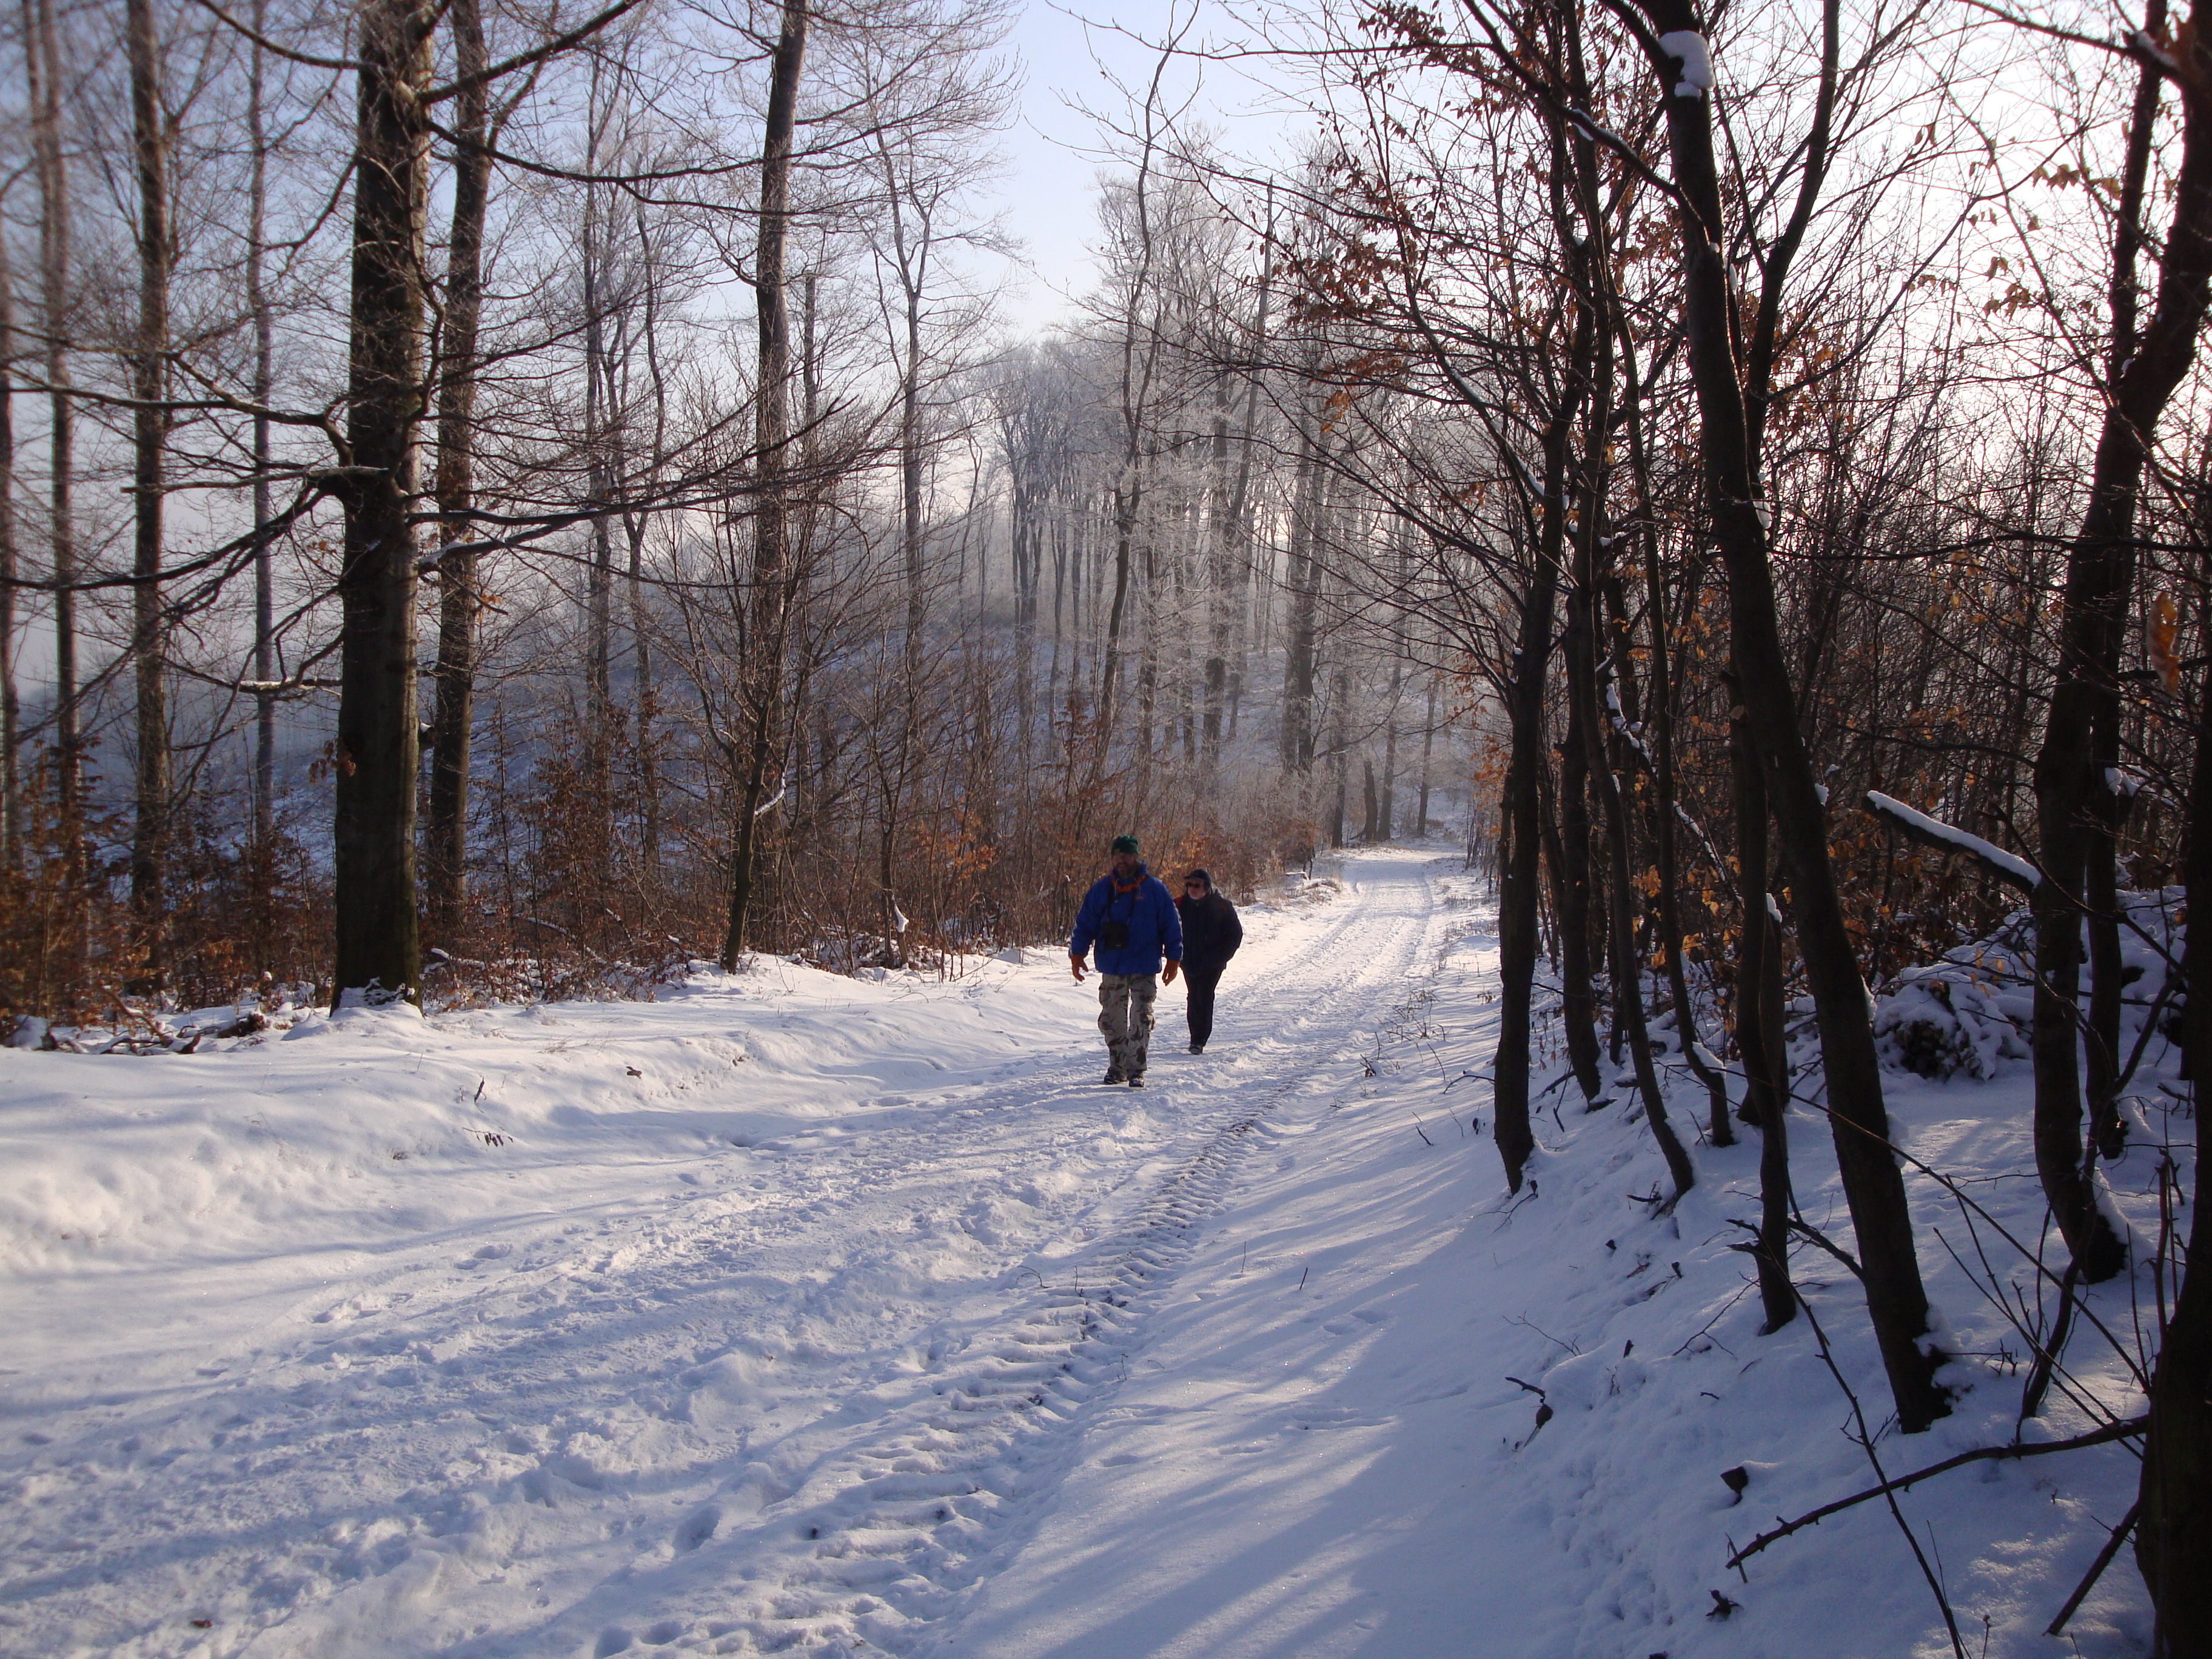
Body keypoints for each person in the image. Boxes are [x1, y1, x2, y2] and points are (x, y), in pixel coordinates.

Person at [1068, 834, 1182, 1087]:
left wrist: (1174, 958)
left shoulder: (1155, 889)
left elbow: (1171, 925)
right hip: (1112, 964)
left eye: (1127, 856)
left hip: (1144, 964)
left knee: (1141, 1017)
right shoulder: (1101, 890)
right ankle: (1117, 1067)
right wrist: (1077, 954)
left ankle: (1137, 1069)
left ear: (1136, 857)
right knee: (1112, 1018)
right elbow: (1085, 923)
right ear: (1112, 859)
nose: (1122, 861)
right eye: (1118, 856)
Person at [1174, 868, 1243, 1053]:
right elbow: (1166, 929)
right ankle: (1194, 1036)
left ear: (1207, 887)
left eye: (1197, 885)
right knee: (1192, 996)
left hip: (1212, 963)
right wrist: (1173, 953)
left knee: (1204, 996)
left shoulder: (1221, 906)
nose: (1192, 888)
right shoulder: (1179, 905)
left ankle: (1199, 1040)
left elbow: (1235, 934)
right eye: (1190, 884)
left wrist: (1221, 957)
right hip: (1188, 961)